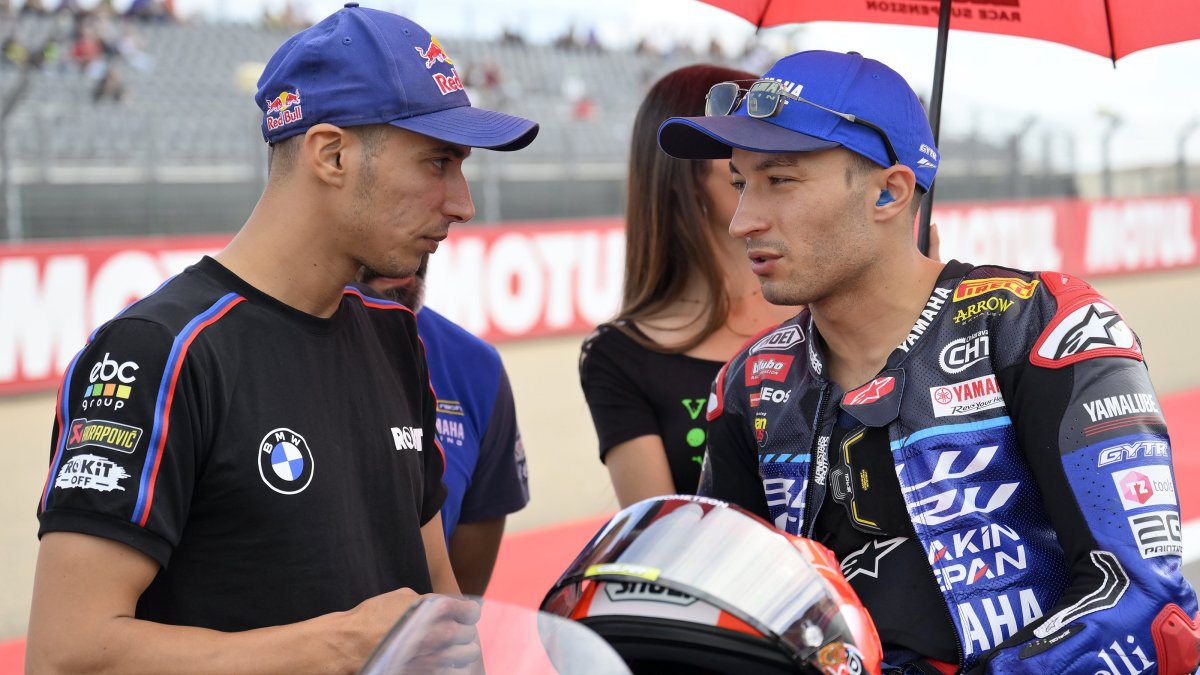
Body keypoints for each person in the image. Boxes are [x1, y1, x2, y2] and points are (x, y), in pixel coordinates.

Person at [27, 6, 537, 673]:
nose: (462, 201)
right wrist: (338, 646)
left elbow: (435, 604)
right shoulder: (158, 351)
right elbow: (64, 654)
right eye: (438, 162)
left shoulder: (392, 335)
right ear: (331, 154)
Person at [658, 50, 1200, 673]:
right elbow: (724, 617)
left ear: (889, 192)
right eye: (740, 183)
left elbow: (1147, 609)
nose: (742, 221)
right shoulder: (753, 381)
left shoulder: (1044, 326)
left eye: (780, 181)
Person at [579, 64, 799, 508]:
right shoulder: (619, 355)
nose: (765, 153)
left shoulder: (823, 306)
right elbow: (663, 546)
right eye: (740, 137)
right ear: (684, 165)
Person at [361, 256, 530, 596]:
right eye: (395, 202)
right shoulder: (246, 345)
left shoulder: (475, 367)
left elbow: (461, 600)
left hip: (422, 646)